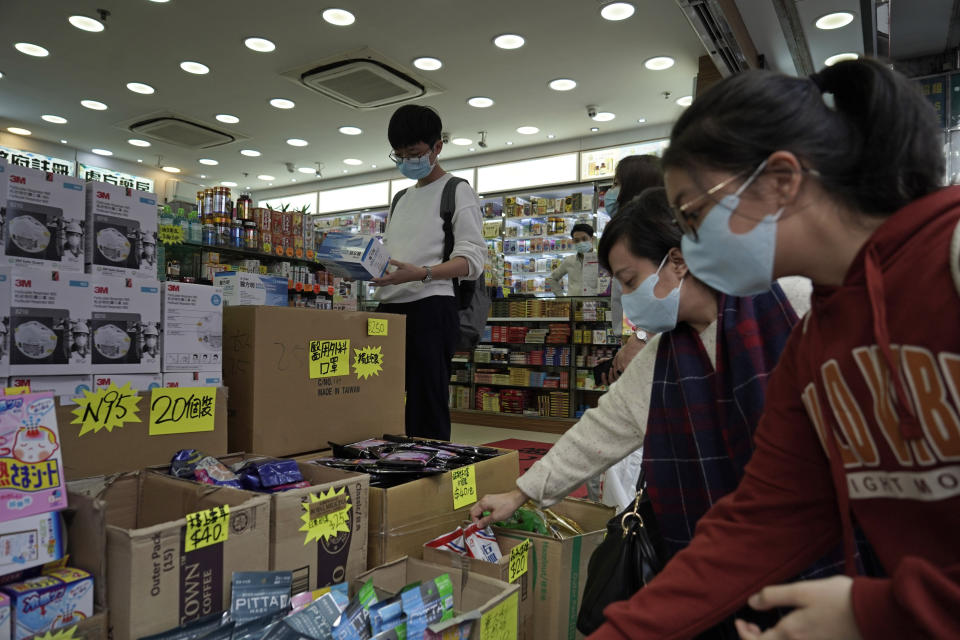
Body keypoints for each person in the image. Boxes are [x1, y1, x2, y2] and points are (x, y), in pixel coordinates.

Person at [588, 58, 956, 640]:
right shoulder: (815, 345)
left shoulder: (949, 259)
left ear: (781, 179)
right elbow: (766, 517)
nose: (688, 244)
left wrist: (878, 612)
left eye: (694, 214)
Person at [471, 190, 837, 632]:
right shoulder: (663, 357)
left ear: (677, 262)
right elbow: (601, 431)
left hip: (822, 552)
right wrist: (519, 494)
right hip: (715, 557)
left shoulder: (793, 304)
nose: (628, 297)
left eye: (630, 280)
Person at [372, 104, 485, 441]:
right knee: (379, 396)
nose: (408, 161)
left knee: (426, 402)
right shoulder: (400, 198)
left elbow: (472, 262)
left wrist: (422, 273)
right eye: (400, 155)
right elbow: (396, 255)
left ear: (437, 147)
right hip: (388, 308)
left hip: (431, 307)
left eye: (415, 152)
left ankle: (429, 479)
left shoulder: (457, 190)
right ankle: (388, 470)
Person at [604, 155, 666, 385]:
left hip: (649, 343)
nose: (611, 192)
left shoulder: (649, 235)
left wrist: (639, 337)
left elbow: (659, 293)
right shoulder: (627, 232)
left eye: (616, 183)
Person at [546, 223, 595, 295]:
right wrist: (561, 297)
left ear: (592, 239)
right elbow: (552, 279)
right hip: (574, 304)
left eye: (584, 239)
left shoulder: (601, 260)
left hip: (595, 304)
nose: (581, 242)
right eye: (577, 240)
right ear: (573, 242)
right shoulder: (569, 260)